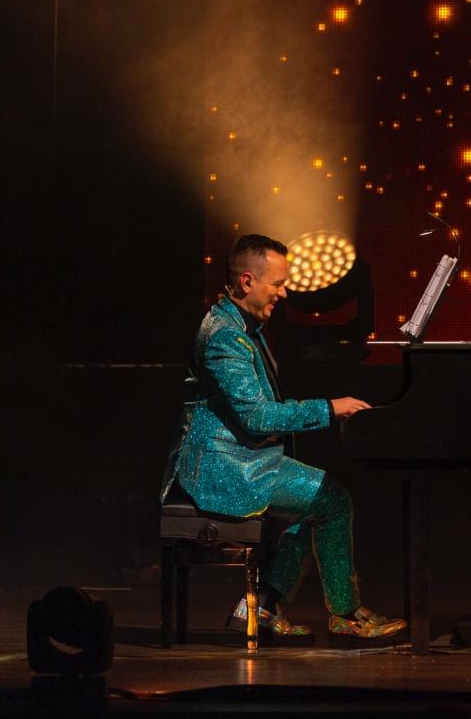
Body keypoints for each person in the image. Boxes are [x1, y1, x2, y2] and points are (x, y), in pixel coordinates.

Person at [160, 233, 407, 647]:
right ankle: (345, 617)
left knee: (319, 503)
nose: (284, 293)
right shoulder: (224, 335)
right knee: (331, 500)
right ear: (247, 281)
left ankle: (262, 608)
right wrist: (329, 408)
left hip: (241, 458)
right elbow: (257, 416)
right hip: (222, 467)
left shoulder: (241, 325)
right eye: (277, 283)